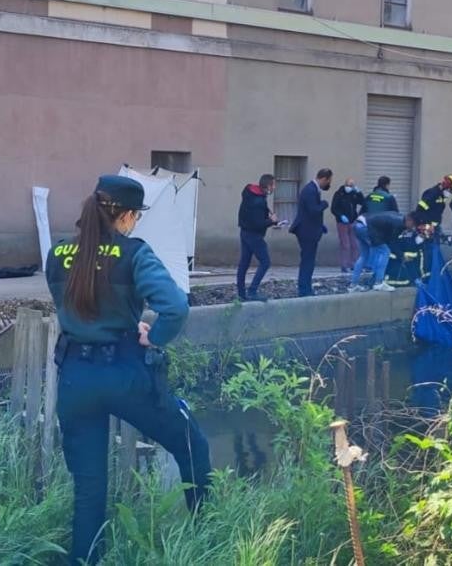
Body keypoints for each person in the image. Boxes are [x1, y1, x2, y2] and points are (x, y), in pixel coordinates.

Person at [45, 175, 211, 564]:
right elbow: (175, 307)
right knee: (191, 444)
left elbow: (73, 307)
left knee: (89, 487)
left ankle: (85, 560)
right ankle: (206, 536)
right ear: (125, 216)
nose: (135, 224)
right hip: (123, 373)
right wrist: (153, 336)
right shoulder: (134, 253)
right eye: (135, 217)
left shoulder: (57, 254)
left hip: (74, 378)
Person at [289, 169, 333, 297]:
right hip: (306, 232)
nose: (328, 184)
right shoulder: (310, 190)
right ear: (324, 179)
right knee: (308, 261)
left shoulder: (313, 189)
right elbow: (313, 210)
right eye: (329, 181)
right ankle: (304, 290)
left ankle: (306, 287)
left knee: (309, 260)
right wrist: (324, 204)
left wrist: (320, 226)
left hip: (310, 229)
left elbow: (310, 213)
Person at [236, 174, 279, 301]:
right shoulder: (258, 201)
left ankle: (241, 294)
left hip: (244, 232)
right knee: (265, 262)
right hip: (254, 236)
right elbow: (258, 223)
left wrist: (268, 215)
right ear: (268, 186)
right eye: (274, 185)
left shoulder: (250, 193)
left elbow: (254, 216)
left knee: (244, 264)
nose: (274, 188)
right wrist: (272, 221)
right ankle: (252, 291)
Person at [348, 210, 405, 292]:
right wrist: (400, 255)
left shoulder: (388, 218)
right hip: (365, 227)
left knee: (364, 255)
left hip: (357, 224)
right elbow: (390, 241)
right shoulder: (397, 222)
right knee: (385, 251)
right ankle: (379, 283)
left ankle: (353, 285)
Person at [330, 179, 365, 272]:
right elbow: (334, 208)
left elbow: (363, 202)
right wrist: (340, 215)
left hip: (353, 221)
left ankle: (354, 264)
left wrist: (359, 192)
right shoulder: (339, 194)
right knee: (345, 244)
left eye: (352, 186)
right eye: (349, 185)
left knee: (355, 244)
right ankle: (344, 265)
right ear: (345, 184)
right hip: (342, 222)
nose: (350, 187)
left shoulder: (353, 194)